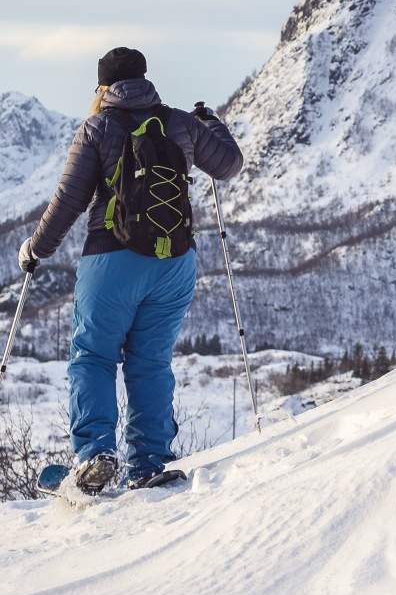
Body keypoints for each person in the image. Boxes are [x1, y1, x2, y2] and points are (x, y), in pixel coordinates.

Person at [19, 47, 242, 493]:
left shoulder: (97, 126)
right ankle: (149, 460)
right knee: (150, 362)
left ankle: (95, 454)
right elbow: (229, 165)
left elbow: (68, 202)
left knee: (94, 357)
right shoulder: (180, 122)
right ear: (144, 78)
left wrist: (35, 249)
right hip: (175, 261)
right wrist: (211, 123)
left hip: (112, 259)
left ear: (103, 87)